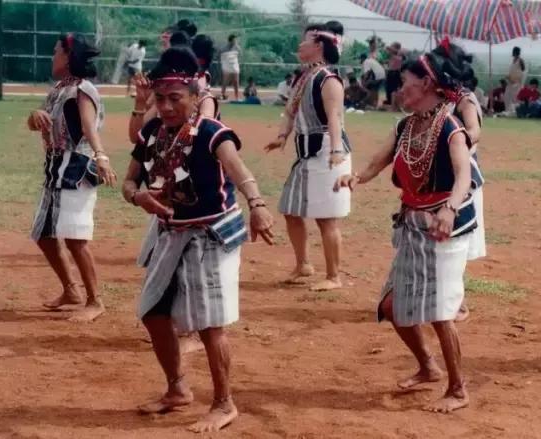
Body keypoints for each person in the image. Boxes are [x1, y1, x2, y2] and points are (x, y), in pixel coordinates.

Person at [121, 46, 275, 433]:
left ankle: (224, 403)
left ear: (194, 98)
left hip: (211, 234)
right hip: (171, 232)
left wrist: (257, 204)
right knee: (153, 313)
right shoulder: (154, 133)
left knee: (210, 325)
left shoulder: (211, 133)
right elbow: (128, 181)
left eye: (176, 98)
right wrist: (136, 194)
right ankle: (177, 388)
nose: (168, 106)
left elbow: (240, 171)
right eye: (161, 99)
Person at [335, 49, 477, 414]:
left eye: (405, 83)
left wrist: (449, 209)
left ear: (427, 84)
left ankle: (458, 389)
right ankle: (428, 366)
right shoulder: (406, 125)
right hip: (413, 222)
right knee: (392, 306)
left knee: (440, 312)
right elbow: (380, 160)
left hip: (444, 226)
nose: (400, 89)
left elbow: (464, 175)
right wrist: (357, 177)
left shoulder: (450, 126)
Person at [28, 33, 117, 322]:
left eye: (56, 52)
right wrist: (35, 116)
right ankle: (71, 290)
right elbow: (40, 125)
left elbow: (90, 128)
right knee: (44, 235)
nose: (52, 57)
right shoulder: (58, 89)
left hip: (77, 168)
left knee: (76, 238)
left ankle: (95, 300)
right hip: (55, 168)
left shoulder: (83, 89)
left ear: (68, 57)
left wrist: (101, 156)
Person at [265, 21, 351, 291]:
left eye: (305, 41)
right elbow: (290, 112)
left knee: (327, 218)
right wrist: (282, 136)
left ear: (318, 47)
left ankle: (334, 276)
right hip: (307, 155)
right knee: (291, 210)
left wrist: (336, 150)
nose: (300, 45)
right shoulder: (304, 78)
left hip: (327, 153)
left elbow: (335, 119)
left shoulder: (329, 80)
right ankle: (303, 264)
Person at [434, 40, 486, 322]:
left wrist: (453, 141)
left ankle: (459, 303)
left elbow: (475, 130)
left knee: (455, 244)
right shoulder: (440, 97)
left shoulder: (464, 99)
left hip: (463, 180)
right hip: (441, 179)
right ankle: (446, 298)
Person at [219, 34, 241, 101]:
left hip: (235, 67)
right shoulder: (224, 48)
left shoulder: (237, 47)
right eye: (234, 40)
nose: (235, 41)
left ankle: (237, 97)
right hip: (227, 67)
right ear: (231, 40)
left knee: (236, 82)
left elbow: (239, 54)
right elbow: (220, 55)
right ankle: (222, 95)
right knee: (225, 82)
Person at [504, 47, 525, 112]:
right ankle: (508, 110)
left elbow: (522, 70)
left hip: (517, 83)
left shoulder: (520, 60)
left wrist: (515, 78)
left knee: (515, 97)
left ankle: (515, 111)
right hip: (510, 82)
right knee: (507, 97)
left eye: (514, 51)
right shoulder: (513, 60)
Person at [385, 42, 405, 111]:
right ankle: (394, 106)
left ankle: (394, 107)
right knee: (391, 90)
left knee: (394, 90)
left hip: (395, 73)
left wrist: (391, 48)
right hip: (392, 72)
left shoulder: (399, 53)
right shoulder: (394, 55)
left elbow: (389, 49)